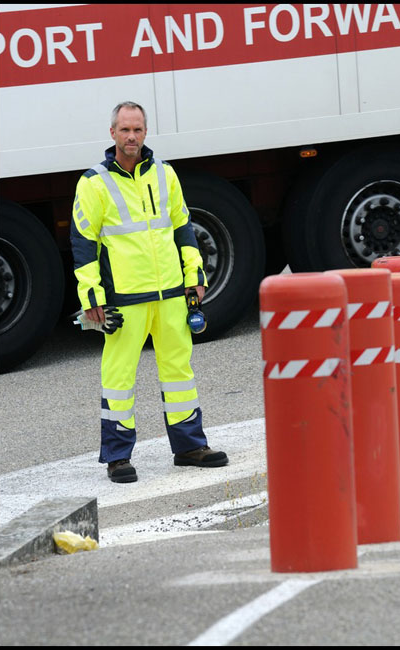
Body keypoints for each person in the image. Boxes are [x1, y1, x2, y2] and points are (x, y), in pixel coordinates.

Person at [70, 101, 228, 483]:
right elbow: (83, 242)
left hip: (172, 294)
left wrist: (195, 274)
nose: (131, 137)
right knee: (119, 377)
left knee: (179, 373)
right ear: (112, 134)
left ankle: (190, 447)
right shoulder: (93, 183)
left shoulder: (164, 174)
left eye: (137, 130)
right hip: (125, 298)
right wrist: (93, 298)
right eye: (124, 130)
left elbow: (183, 227)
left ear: (145, 132)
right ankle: (117, 458)